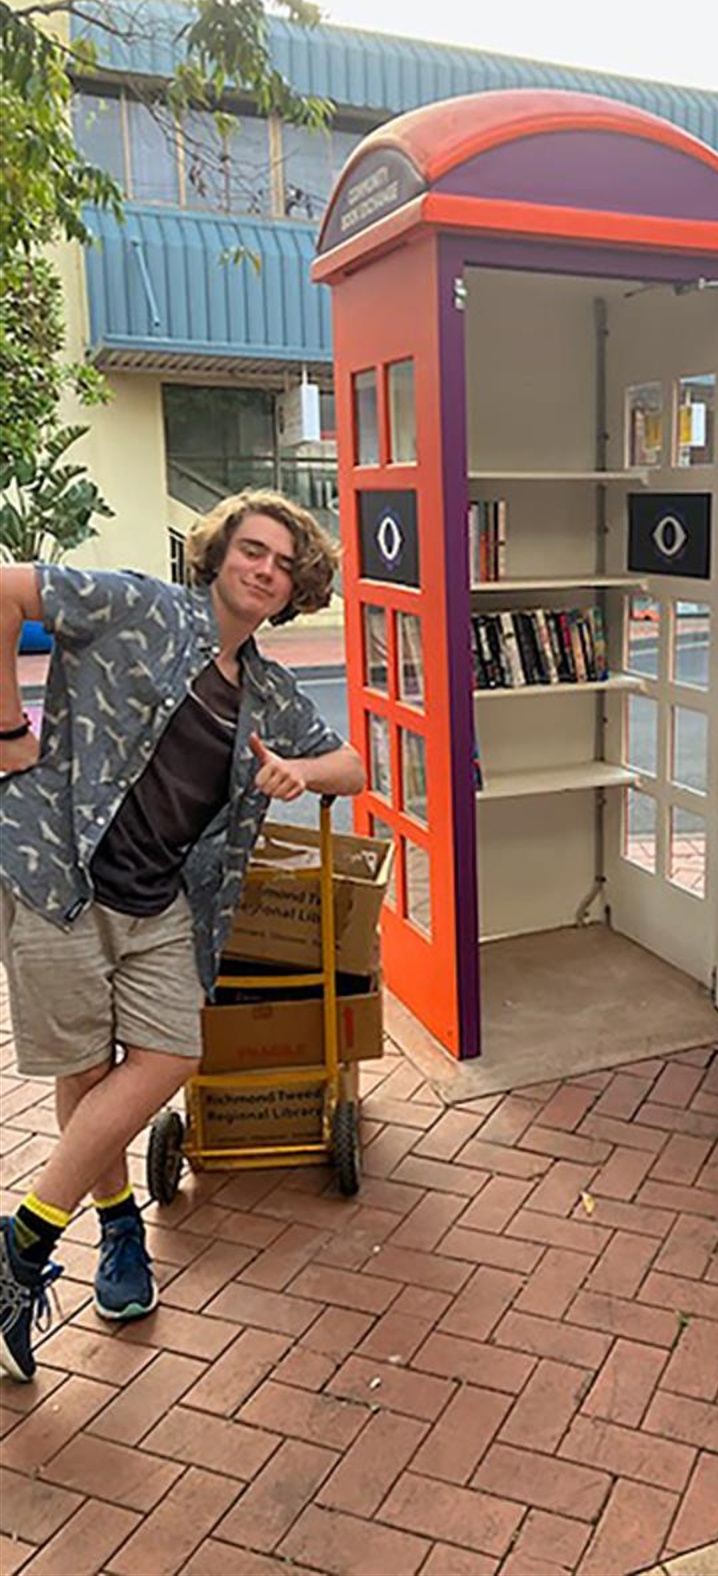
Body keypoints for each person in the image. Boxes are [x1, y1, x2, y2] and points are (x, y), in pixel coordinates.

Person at [0, 490, 365, 1381]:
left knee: (168, 1054)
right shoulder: (138, 604)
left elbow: (356, 765)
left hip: (166, 901)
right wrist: (8, 728)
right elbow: (6, 588)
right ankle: (120, 1233)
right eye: (252, 550)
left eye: (283, 565)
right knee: (86, 1071)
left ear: (295, 590)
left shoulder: (270, 692)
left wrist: (298, 769)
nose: (265, 569)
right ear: (219, 553)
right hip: (61, 878)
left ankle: (20, 1244)